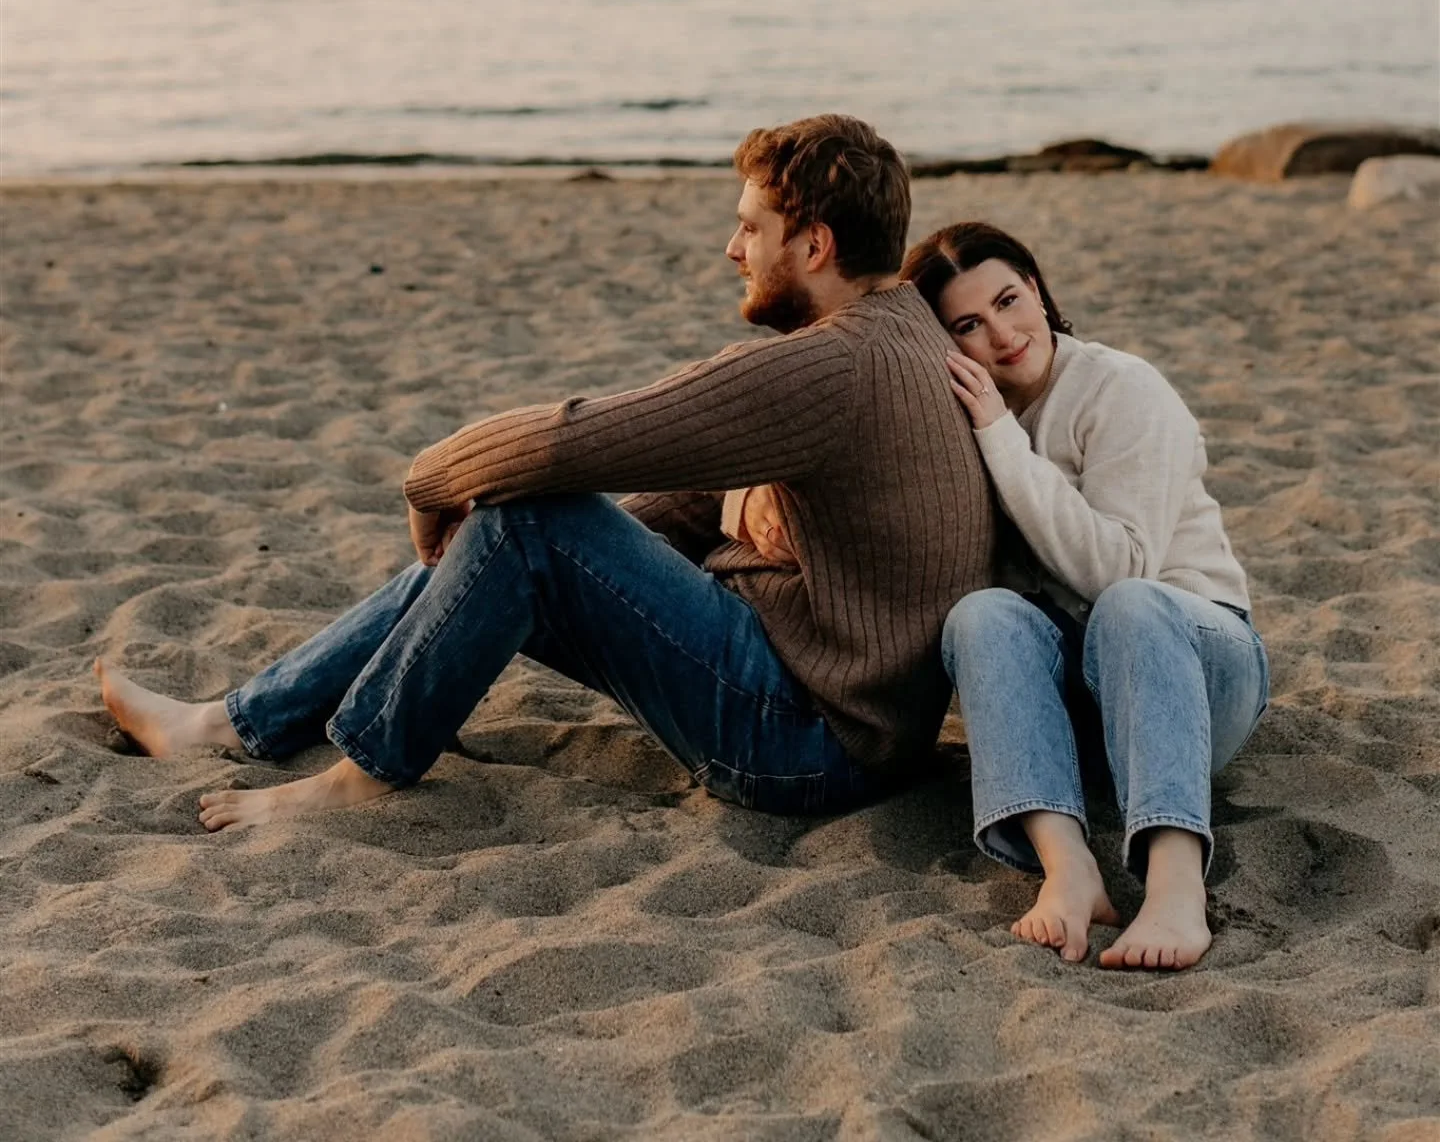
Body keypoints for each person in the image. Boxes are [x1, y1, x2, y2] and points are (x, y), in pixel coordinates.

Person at [96, 115, 997, 832]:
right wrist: (554, 562)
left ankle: (362, 771)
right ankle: (227, 725)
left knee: (523, 519)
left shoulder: (831, 368)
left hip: (809, 744)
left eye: (750, 228)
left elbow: (577, 438)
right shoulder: (899, 329)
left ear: (814, 246)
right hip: (860, 720)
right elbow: (686, 501)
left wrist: (431, 485)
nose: (732, 250)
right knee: (516, 539)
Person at [901, 220, 1267, 972]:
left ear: (1036, 288)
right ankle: (1069, 871)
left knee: (1130, 601)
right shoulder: (954, 419)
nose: (1002, 334)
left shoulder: (1119, 387)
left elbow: (1119, 568)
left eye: (1009, 300)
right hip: (1082, 710)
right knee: (981, 616)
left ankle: (1173, 887)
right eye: (968, 324)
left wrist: (1002, 436)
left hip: (1198, 669)